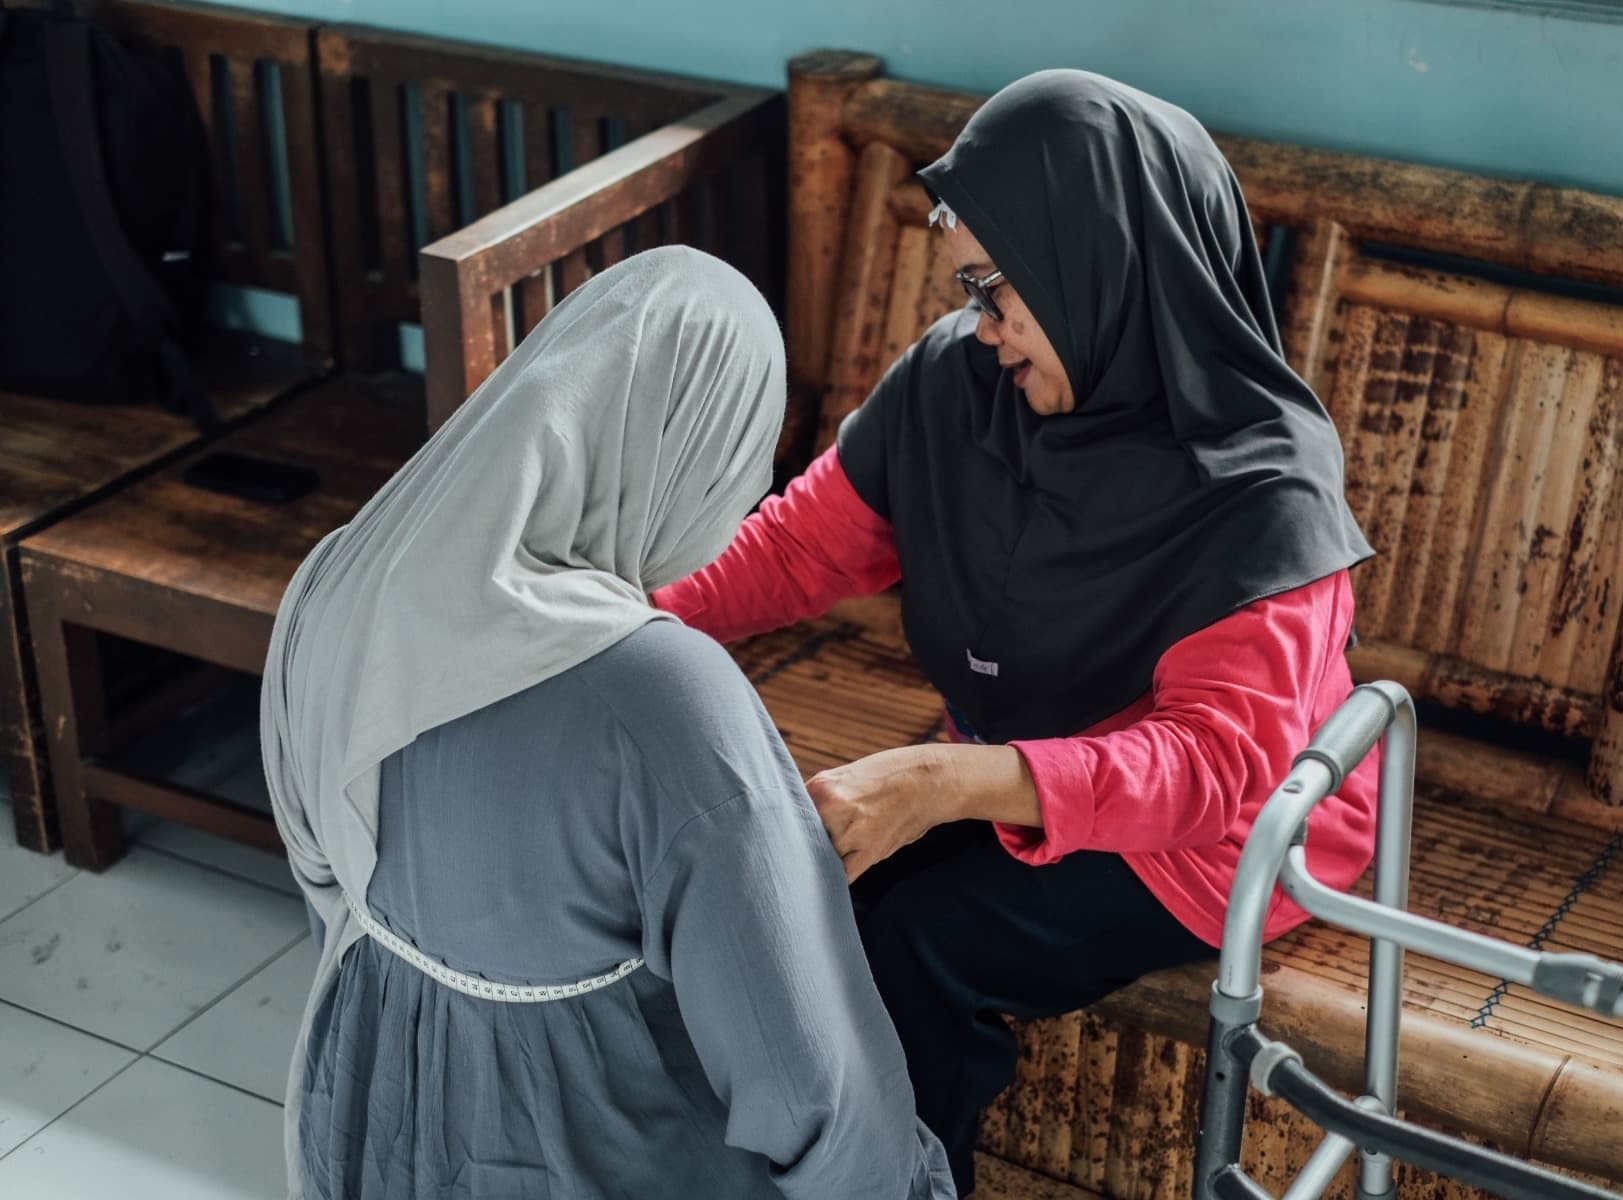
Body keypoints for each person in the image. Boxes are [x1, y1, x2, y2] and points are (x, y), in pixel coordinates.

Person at [652, 72, 1380, 1195]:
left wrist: (945, 781)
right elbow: (799, 548)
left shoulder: (1261, 484)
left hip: (1213, 847)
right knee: (810, 889)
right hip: (1022, 763)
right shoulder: (959, 381)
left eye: (999, 290)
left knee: (922, 942)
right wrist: (619, 623)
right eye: (971, 289)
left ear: (1097, 268)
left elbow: (1212, 769)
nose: (981, 326)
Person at [261, 247, 956, 1200]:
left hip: (372, 1116)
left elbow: (323, 873)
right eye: (743, 450)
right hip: (599, 1151)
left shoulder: (342, 576)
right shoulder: (657, 695)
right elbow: (806, 1069)